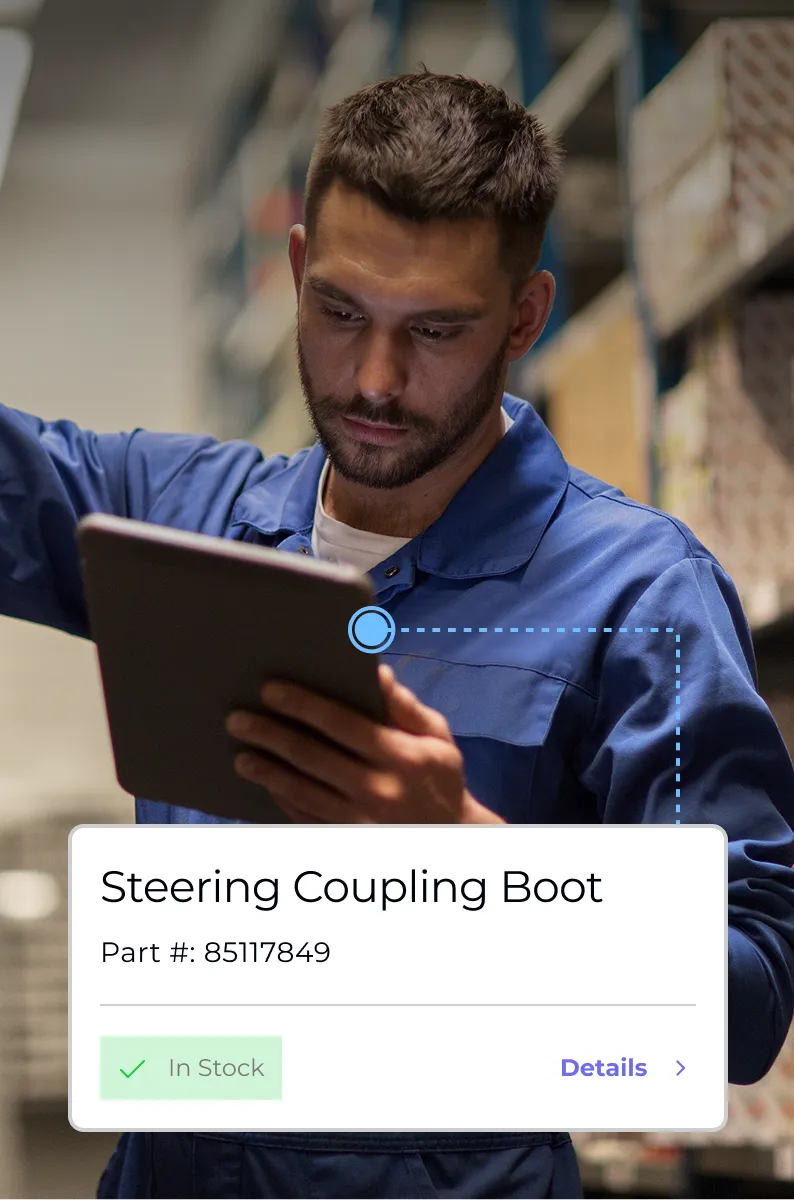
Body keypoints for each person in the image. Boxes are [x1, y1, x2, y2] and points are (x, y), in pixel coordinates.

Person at [0, 68, 792, 1200]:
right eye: (338, 314)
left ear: (523, 317)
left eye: (433, 330)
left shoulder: (640, 598)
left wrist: (471, 862)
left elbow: (745, 1001)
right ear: (293, 273)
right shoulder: (180, 517)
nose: (373, 380)